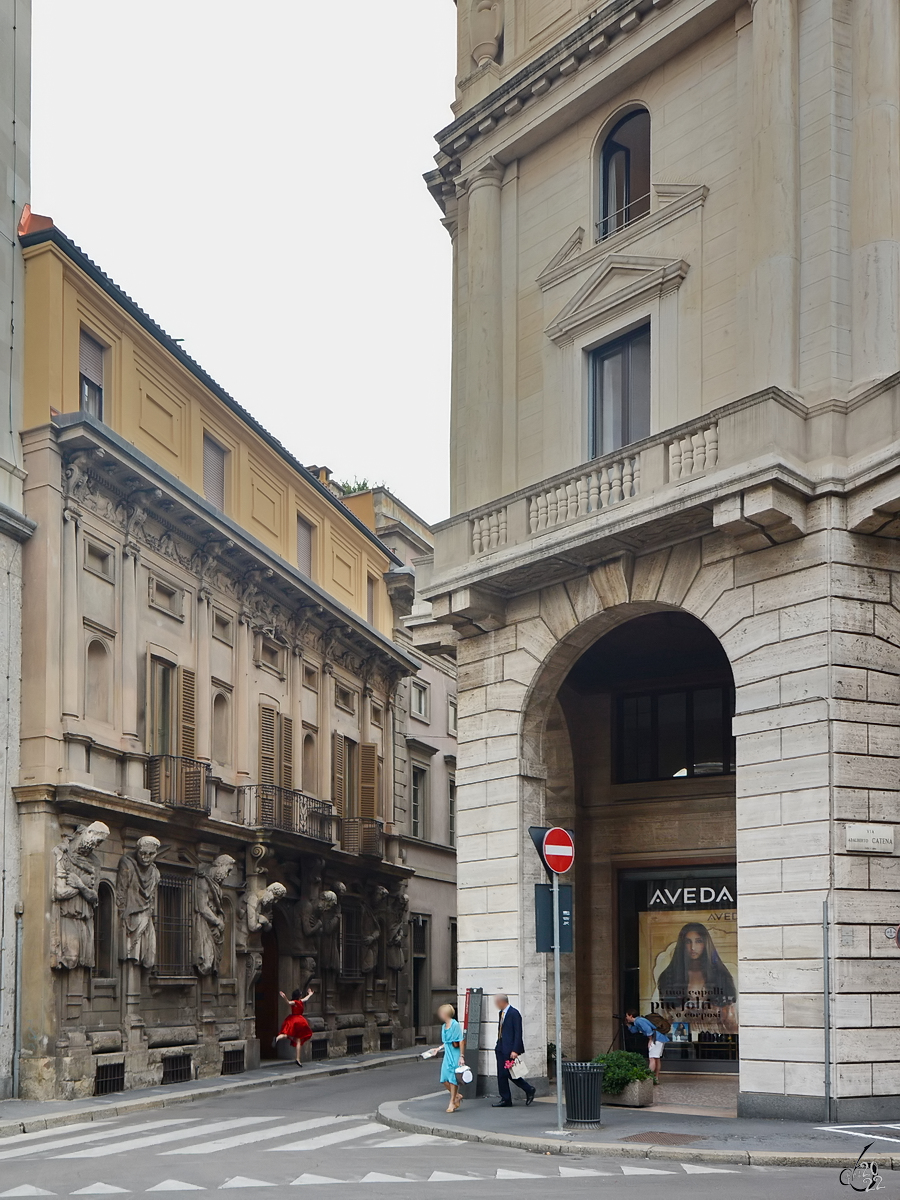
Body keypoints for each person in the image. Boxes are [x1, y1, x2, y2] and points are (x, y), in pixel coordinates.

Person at [656, 922, 738, 1034]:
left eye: (698, 941)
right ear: (682, 944)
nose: (693, 948)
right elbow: (664, 1020)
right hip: (681, 1041)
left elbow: (731, 1022)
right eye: (688, 942)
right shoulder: (669, 977)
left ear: (706, 944)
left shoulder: (721, 976)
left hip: (715, 1041)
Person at [493, 993, 536, 1107]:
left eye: (497, 1002)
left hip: (510, 1049)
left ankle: (527, 1089)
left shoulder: (514, 1013)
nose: (496, 1005)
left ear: (503, 1001)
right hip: (501, 1047)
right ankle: (506, 1098)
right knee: (502, 1074)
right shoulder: (501, 1014)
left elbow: (518, 1033)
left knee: (508, 1073)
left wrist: (515, 1050)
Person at [426, 1003, 465, 1113]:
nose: (440, 1015)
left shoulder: (455, 1024)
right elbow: (446, 1042)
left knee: (453, 1078)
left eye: (441, 1013)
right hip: (448, 1052)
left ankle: (452, 1102)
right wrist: (438, 1049)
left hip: (455, 1053)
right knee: (444, 1078)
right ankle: (457, 1096)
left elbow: (461, 1040)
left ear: (446, 1014)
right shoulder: (444, 1026)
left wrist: (462, 1056)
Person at [624, 1009, 669, 1082]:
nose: (626, 1017)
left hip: (655, 1039)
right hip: (659, 1038)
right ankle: (655, 1078)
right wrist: (628, 1025)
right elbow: (634, 1030)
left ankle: (650, 1078)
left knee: (652, 1058)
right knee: (656, 1059)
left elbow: (648, 1030)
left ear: (630, 1015)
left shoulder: (639, 1021)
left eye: (626, 1016)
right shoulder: (637, 1021)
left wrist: (650, 1040)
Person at [275, 987, 314, 1066]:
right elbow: (290, 1002)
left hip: (293, 1020)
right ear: (298, 996)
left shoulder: (296, 1002)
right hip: (299, 1020)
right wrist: (310, 994)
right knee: (298, 1039)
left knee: (287, 1034)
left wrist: (310, 994)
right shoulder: (299, 1002)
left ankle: (277, 1038)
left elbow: (289, 1002)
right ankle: (298, 1059)